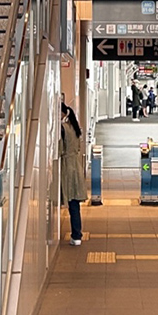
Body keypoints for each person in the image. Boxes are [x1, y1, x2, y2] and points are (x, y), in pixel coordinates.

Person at [60, 101, 87, 246]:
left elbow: (59, 149)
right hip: (76, 166)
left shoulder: (62, 128)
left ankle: (76, 235)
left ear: (63, 113)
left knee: (70, 201)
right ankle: (77, 235)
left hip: (66, 168)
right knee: (74, 204)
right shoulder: (74, 127)